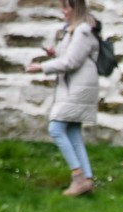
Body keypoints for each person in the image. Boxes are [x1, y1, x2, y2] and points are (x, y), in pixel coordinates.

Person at [26, 0, 99, 197]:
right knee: (73, 132)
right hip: (76, 86)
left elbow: (71, 62)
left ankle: (78, 178)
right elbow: (72, 55)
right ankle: (87, 180)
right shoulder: (73, 30)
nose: (63, 11)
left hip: (78, 88)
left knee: (56, 128)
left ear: (76, 9)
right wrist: (55, 53)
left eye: (66, 7)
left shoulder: (82, 31)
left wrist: (41, 67)